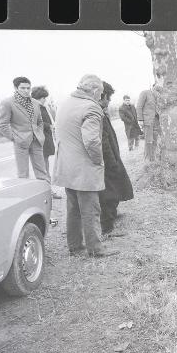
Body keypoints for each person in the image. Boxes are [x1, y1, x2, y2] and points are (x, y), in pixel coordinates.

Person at [53, 74, 118, 258]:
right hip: (83, 169)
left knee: (73, 209)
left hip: (66, 166)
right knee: (91, 210)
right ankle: (96, 249)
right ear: (96, 91)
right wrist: (98, 161)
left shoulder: (66, 103)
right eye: (101, 93)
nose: (101, 96)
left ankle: (75, 247)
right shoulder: (91, 107)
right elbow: (91, 141)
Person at [98, 82, 134, 234]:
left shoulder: (102, 111)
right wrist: (112, 161)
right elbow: (103, 141)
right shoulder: (97, 113)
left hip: (111, 155)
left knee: (116, 186)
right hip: (107, 159)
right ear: (102, 96)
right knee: (108, 191)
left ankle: (112, 214)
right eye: (108, 97)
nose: (109, 101)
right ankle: (107, 225)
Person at [0, 76, 49, 181]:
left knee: (42, 173)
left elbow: (39, 121)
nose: (26, 90)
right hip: (21, 142)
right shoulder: (7, 103)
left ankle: (47, 197)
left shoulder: (35, 102)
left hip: (36, 141)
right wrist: (15, 138)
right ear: (16, 88)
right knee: (23, 175)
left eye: (28, 88)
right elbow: (2, 124)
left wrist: (40, 134)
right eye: (23, 88)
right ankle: (24, 196)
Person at [31, 86, 61, 199]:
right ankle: (47, 192)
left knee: (45, 167)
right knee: (43, 169)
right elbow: (36, 123)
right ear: (40, 97)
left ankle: (48, 191)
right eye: (44, 97)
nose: (45, 100)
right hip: (40, 142)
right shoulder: (35, 108)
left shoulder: (41, 107)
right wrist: (50, 126)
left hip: (45, 142)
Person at [136, 84, 157, 160]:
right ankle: (147, 159)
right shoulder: (145, 93)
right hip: (147, 121)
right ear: (152, 87)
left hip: (155, 121)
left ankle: (153, 157)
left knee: (154, 140)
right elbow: (139, 106)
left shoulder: (158, 96)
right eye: (155, 88)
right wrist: (140, 120)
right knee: (148, 140)